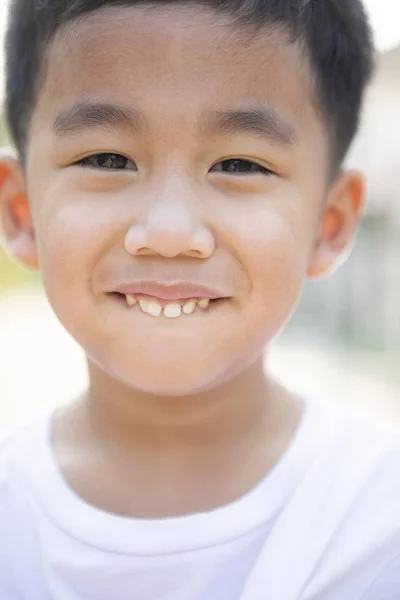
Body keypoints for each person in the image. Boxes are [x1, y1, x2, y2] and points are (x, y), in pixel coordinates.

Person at [0, 0, 399, 598]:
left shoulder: (377, 522)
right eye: (107, 159)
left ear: (330, 223)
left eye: (239, 163)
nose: (168, 233)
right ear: (21, 211)